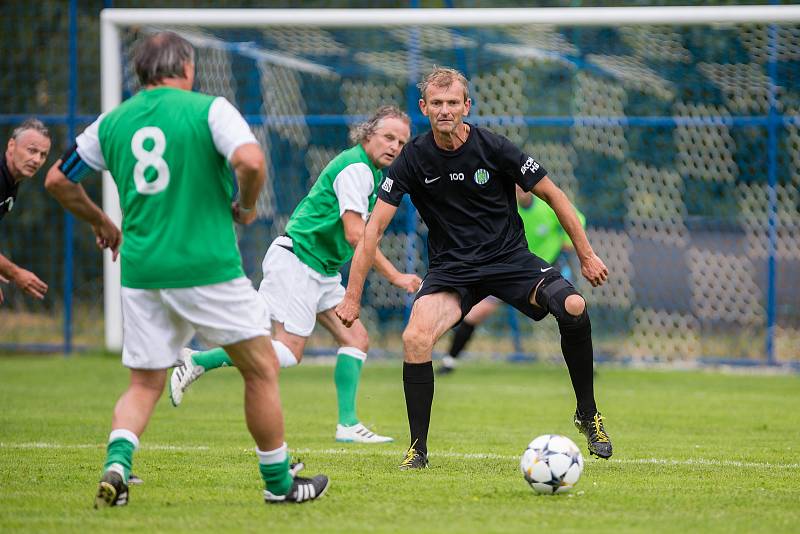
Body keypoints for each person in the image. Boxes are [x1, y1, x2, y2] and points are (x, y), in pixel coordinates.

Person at [44, 31, 328, 507]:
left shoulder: (112, 122)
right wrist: (247, 204)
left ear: (140, 73)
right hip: (206, 266)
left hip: (141, 271)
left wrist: (102, 222)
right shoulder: (209, 110)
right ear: (188, 68)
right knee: (261, 369)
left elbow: (57, 179)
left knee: (143, 383)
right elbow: (252, 160)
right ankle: (280, 484)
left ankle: (118, 466)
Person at [336, 66, 613, 469]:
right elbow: (372, 230)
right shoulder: (412, 158)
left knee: (573, 307)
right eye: (436, 104)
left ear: (467, 106)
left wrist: (587, 255)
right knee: (415, 337)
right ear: (424, 108)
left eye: (452, 103)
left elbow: (554, 195)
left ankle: (588, 414)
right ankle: (417, 449)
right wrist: (352, 295)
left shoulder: (494, 147)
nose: (445, 110)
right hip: (453, 270)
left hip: (509, 260)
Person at [170, 105, 421, 444]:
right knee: (287, 353)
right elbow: (354, 234)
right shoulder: (356, 170)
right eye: (388, 137)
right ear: (368, 135)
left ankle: (347, 425)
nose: (395, 146)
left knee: (356, 339)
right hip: (298, 263)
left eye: (402, 142)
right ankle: (199, 359)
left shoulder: (373, 174)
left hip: (320, 269)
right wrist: (395, 276)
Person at [438, 185, 586, 374]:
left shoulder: (547, 205)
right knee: (475, 314)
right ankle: (450, 361)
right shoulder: (506, 209)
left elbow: (578, 218)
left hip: (549, 270)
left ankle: (585, 363)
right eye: (516, 185)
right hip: (514, 271)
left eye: (524, 185)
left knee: (571, 308)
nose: (521, 189)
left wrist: (567, 241)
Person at [0, 119, 51, 304]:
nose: (37, 160)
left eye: (43, 155)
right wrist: (15, 273)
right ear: (11, 145)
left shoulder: (12, 181)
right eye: (32, 150)